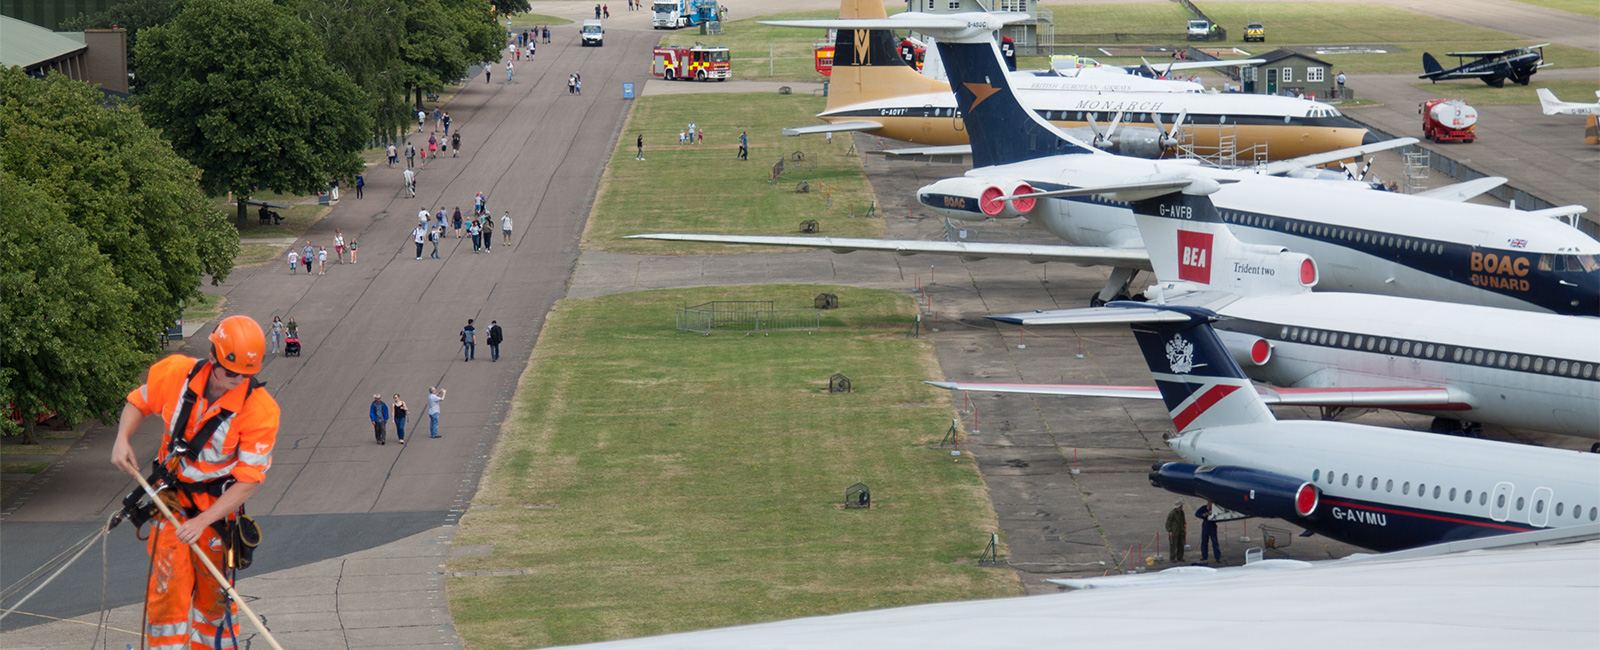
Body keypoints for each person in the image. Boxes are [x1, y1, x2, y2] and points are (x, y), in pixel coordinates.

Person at [110, 315, 279, 649]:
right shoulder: (176, 374)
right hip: (169, 499)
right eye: (230, 372)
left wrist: (204, 520)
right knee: (168, 593)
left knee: (215, 599)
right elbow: (139, 401)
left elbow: (248, 480)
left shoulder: (259, 410)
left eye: (245, 375)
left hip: (216, 510)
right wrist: (121, 439)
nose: (237, 381)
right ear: (214, 357)